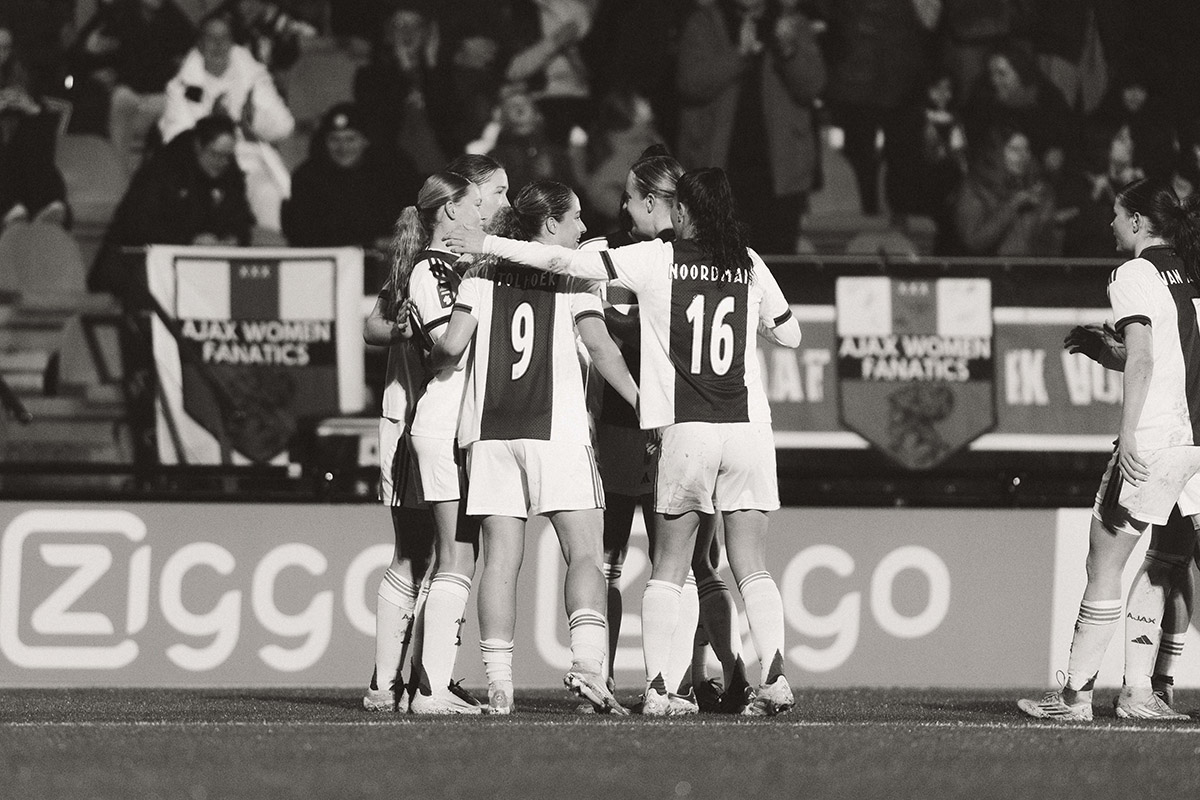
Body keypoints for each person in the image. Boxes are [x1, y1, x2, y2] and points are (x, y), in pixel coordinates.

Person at [445, 167, 802, 717]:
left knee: (668, 565)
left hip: (684, 427)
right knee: (747, 563)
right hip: (748, 429)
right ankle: (772, 676)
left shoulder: (656, 260)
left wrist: (488, 243)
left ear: (681, 212)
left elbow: (568, 262)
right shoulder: (749, 262)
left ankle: (658, 687)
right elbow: (789, 332)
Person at [430, 181, 639, 715]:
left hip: (490, 431)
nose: (583, 229)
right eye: (573, 220)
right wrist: (642, 402)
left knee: (500, 559)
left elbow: (452, 345)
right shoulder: (571, 277)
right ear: (549, 227)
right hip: (557, 431)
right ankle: (590, 667)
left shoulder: (478, 273)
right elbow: (599, 346)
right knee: (587, 550)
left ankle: (500, 686)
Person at [1018, 177, 1200, 721]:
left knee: (1103, 562)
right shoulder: (1191, 273)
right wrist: (1106, 351)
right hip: (1195, 442)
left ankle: (1074, 699)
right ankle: (1140, 695)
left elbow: (1143, 359)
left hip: (1155, 438)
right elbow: (1171, 357)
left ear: (1140, 222)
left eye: (1119, 215)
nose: (1112, 225)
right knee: (1164, 561)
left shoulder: (1131, 273)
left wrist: (1129, 435)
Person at [374, 171, 485, 715]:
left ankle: (421, 679)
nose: (488, 211)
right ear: (449, 211)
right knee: (439, 553)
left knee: (451, 551)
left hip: (453, 424)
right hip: (431, 421)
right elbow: (447, 346)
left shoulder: (455, 268)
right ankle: (419, 685)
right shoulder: (429, 271)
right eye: (478, 202)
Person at [675, 0, 825, 254]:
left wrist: (788, 50)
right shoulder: (706, 22)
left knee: (776, 264)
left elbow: (812, 86)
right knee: (716, 261)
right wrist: (739, 56)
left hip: (780, 174)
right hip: (718, 169)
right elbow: (690, 83)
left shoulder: (790, 23)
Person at [158, 13, 295, 232]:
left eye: (224, 38)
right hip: (203, 170)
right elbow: (175, 140)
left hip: (248, 163)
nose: (218, 45)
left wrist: (253, 122)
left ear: (232, 42)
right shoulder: (180, 87)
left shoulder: (253, 77)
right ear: (200, 44)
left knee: (270, 196)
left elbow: (284, 127)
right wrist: (212, 128)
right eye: (211, 38)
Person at [953, 125, 1062, 257]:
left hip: (1030, 271)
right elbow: (973, 242)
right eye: (1014, 150)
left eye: (1026, 149)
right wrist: (1013, 204)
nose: (1023, 156)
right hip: (985, 270)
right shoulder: (976, 187)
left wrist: (1047, 210)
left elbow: (1046, 244)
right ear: (996, 152)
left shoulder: (1038, 187)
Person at [0, 24, 69, 231]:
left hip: (19, 161)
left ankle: (49, 205)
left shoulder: (21, 77)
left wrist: (31, 109)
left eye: (5, 47)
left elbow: (47, 135)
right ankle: (11, 208)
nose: (1, 54)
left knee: (33, 138)